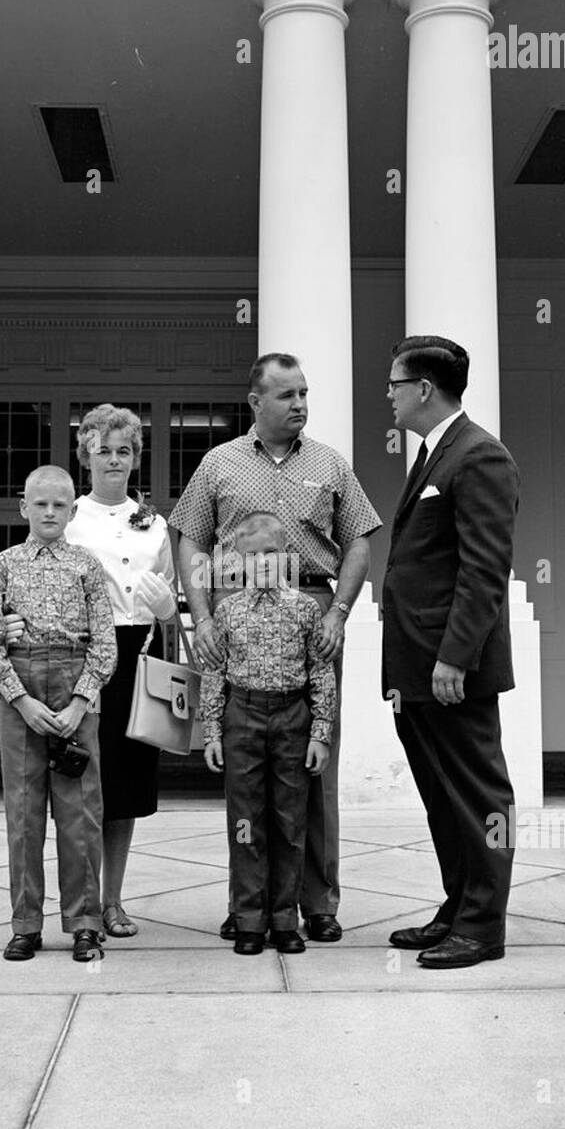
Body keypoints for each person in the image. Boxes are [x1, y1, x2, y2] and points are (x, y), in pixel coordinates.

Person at [169, 352, 381, 944]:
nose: (301, 406)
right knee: (246, 778)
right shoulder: (218, 465)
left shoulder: (331, 465)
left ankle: (315, 903)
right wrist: (203, 617)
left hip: (312, 618)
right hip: (236, 622)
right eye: (287, 396)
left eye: (305, 394)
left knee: (313, 769)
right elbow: (190, 541)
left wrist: (339, 611)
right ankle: (252, 905)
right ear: (255, 402)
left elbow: (359, 541)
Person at [3, 406, 177, 939]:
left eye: (124, 451)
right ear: (86, 456)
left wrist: (170, 608)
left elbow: (169, 596)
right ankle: (71, 907)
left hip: (137, 651)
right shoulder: (64, 515)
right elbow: (25, 581)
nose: (114, 461)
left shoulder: (155, 524)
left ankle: (112, 900)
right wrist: (11, 624)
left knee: (122, 786)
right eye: (103, 450)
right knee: (74, 785)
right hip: (78, 659)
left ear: (135, 458)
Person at [382, 335, 519, 969]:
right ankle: (458, 907)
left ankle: (483, 927)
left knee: (480, 795)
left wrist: (455, 658)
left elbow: (484, 571)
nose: (388, 394)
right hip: (418, 667)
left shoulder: (479, 456)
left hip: (450, 669)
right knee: (442, 795)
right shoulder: (436, 455)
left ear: (424, 390)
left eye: (394, 383)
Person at [0, 464, 117, 963]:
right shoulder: (4, 564)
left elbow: (104, 642)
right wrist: (22, 701)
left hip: (74, 682)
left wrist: (81, 700)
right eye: (41, 504)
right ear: (24, 507)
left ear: (74, 510)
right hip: (22, 689)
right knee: (23, 811)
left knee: (80, 812)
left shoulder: (86, 565)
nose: (51, 512)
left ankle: (85, 923)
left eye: (60, 504)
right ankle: (26, 924)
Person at [200, 513, 336, 956]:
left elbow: (321, 674)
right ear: (238, 559)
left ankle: (284, 920)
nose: (262, 563)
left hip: (290, 719)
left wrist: (320, 734)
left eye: (271, 554)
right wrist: (212, 732)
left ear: (287, 556)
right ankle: (249, 920)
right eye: (253, 555)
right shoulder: (227, 612)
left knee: (290, 824)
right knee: (245, 824)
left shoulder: (305, 609)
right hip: (243, 716)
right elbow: (214, 674)